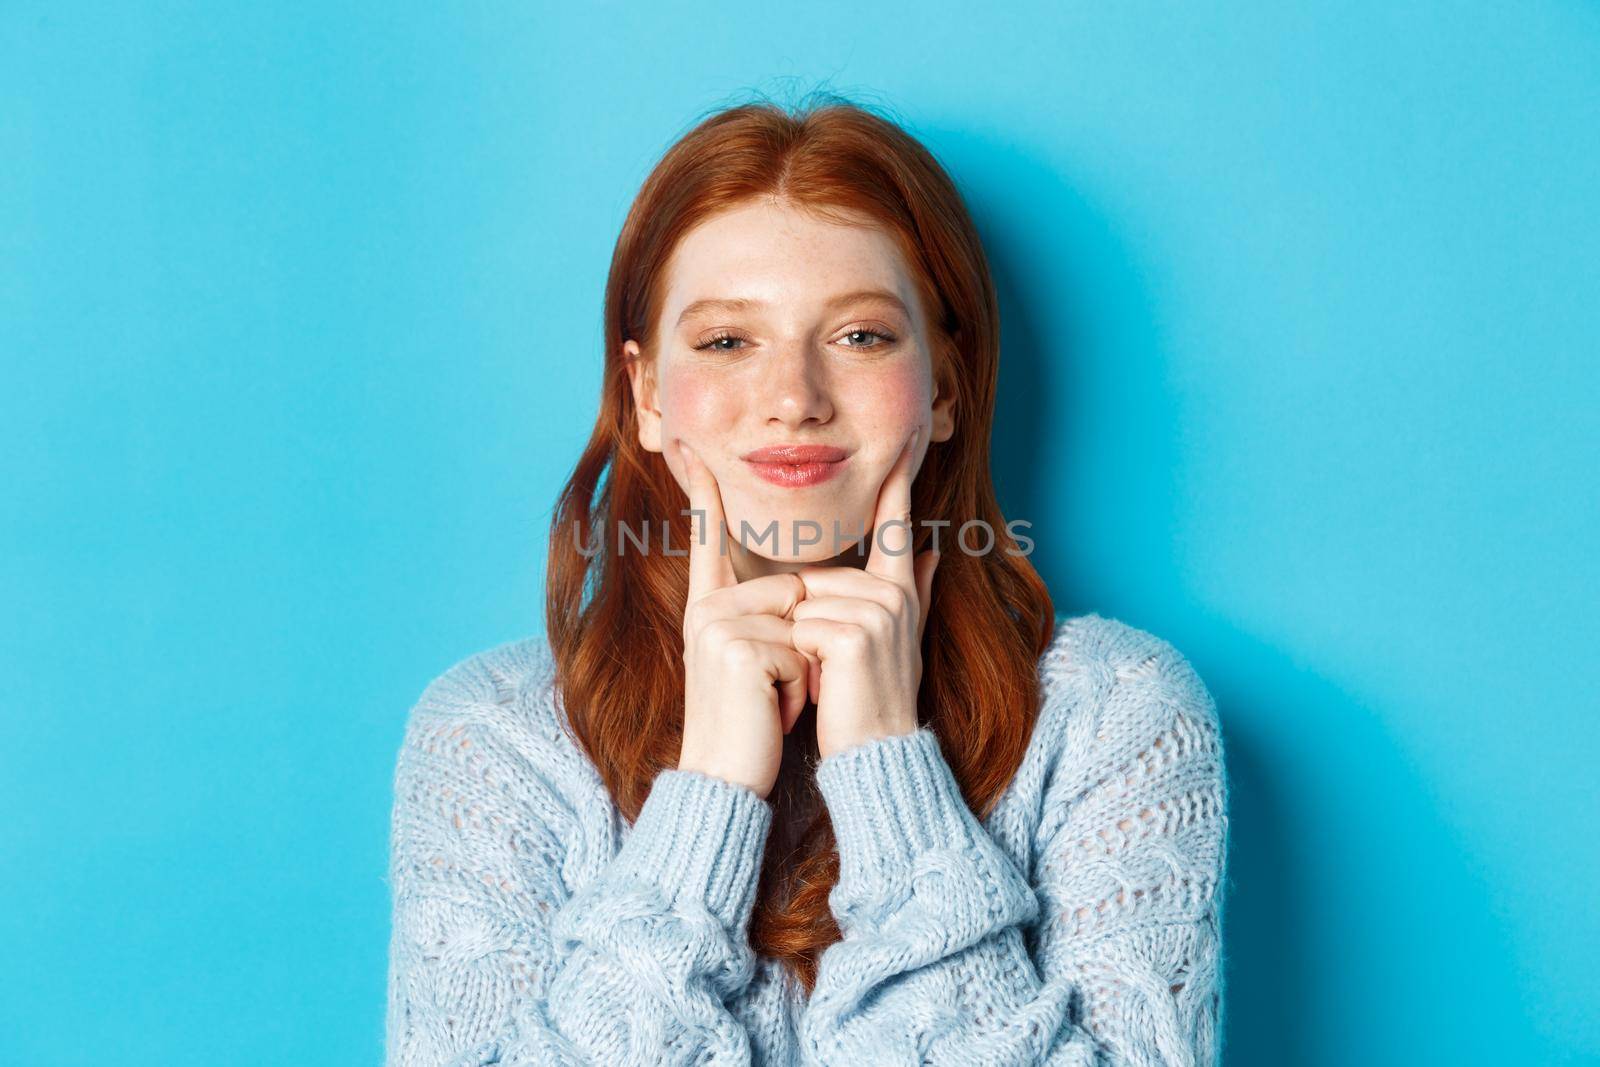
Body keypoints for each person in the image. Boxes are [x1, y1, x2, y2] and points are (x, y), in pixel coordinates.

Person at [384, 92, 1230, 1066]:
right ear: (646, 393)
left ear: (945, 387)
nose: (793, 399)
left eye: (859, 334)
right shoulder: (494, 734)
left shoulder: (1112, 714)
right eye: (726, 340)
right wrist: (705, 799)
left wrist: (886, 768)